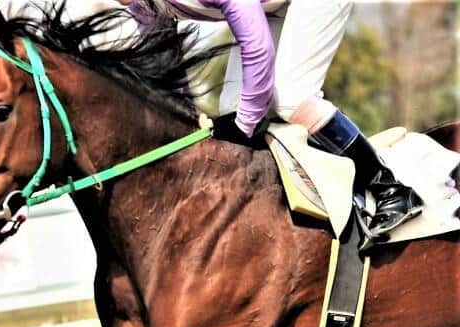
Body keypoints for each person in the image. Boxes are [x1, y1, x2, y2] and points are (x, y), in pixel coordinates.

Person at [115, 0, 423, 238]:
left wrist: (246, 123)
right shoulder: (142, 6)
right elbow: (169, 73)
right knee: (231, 108)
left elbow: (258, 49)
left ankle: (390, 189)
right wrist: (186, 123)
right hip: (273, 7)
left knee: (291, 98)